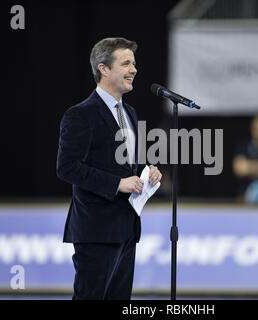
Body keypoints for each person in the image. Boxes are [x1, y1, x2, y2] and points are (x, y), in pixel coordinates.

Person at [56, 37, 162, 300]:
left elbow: (126, 165)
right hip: (96, 230)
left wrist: (146, 173)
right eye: (126, 63)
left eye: (134, 63)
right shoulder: (80, 114)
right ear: (103, 68)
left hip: (126, 228)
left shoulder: (131, 113)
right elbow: (67, 167)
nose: (134, 69)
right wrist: (117, 184)